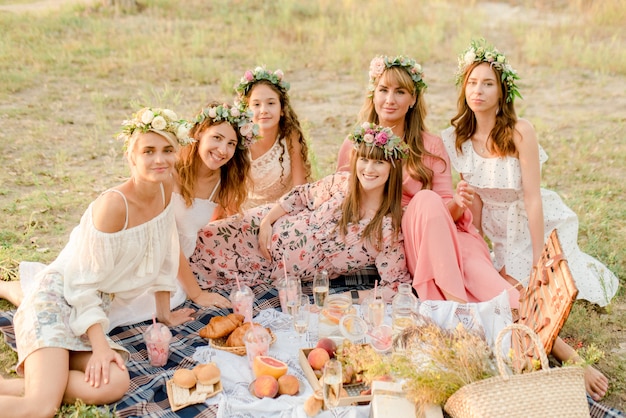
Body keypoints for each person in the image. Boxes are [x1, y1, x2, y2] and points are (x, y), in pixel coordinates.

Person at [441, 39, 618, 401]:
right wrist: (479, 251)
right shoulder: (458, 139)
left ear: (503, 90)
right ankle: (557, 356)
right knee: (502, 295)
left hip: (532, 223)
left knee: (526, 291)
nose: (478, 90)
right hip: (495, 232)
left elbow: (533, 198)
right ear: (463, 88)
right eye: (472, 82)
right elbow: (473, 211)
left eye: (487, 83)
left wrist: (540, 258)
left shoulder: (521, 131)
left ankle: (572, 360)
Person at [0, 108, 193, 417]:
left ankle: (37, 382)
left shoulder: (166, 187)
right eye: (149, 151)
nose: (160, 159)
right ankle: (41, 389)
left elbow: (165, 252)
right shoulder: (113, 206)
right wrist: (101, 345)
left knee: (114, 383)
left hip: (92, 310)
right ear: (131, 157)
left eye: (168, 150)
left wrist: (163, 313)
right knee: (40, 408)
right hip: (58, 300)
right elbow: (81, 282)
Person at [336, 55, 518, 308]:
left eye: (400, 92)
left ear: (412, 100)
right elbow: (343, 201)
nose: (390, 100)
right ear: (373, 94)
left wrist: (456, 203)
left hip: (444, 229)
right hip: (403, 239)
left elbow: (448, 213)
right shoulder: (354, 144)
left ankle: (536, 323)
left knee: (477, 269)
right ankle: (459, 310)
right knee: (425, 199)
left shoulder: (431, 146)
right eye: (383, 90)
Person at [189, 123, 412, 304]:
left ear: (392, 169)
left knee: (202, 277)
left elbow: (395, 287)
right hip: (258, 226)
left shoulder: (387, 229)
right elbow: (300, 196)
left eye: (379, 163)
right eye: (363, 160)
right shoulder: (341, 185)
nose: (369, 169)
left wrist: (347, 298)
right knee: (198, 240)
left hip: (267, 269)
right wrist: (267, 222)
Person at [235, 66, 312, 208]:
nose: (264, 110)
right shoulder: (238, 141)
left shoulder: (289, 136)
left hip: (284, 211)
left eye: (271, 103)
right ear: (246, 110)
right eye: (256, 104)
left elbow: (300, 189)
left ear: (282, 109)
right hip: (247, 215)